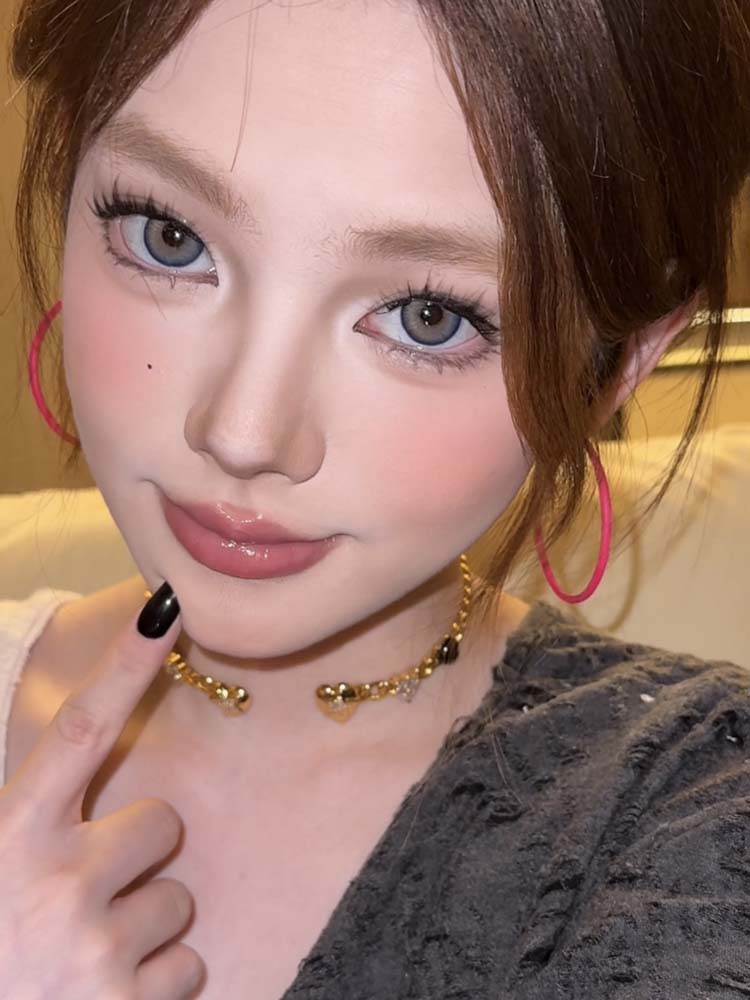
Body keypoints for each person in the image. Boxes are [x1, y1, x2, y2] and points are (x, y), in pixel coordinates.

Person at [1, 0, 749, 997]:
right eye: (170, 237)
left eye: (426, 316)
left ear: (617, 364)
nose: (243, 434)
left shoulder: (694, 814)